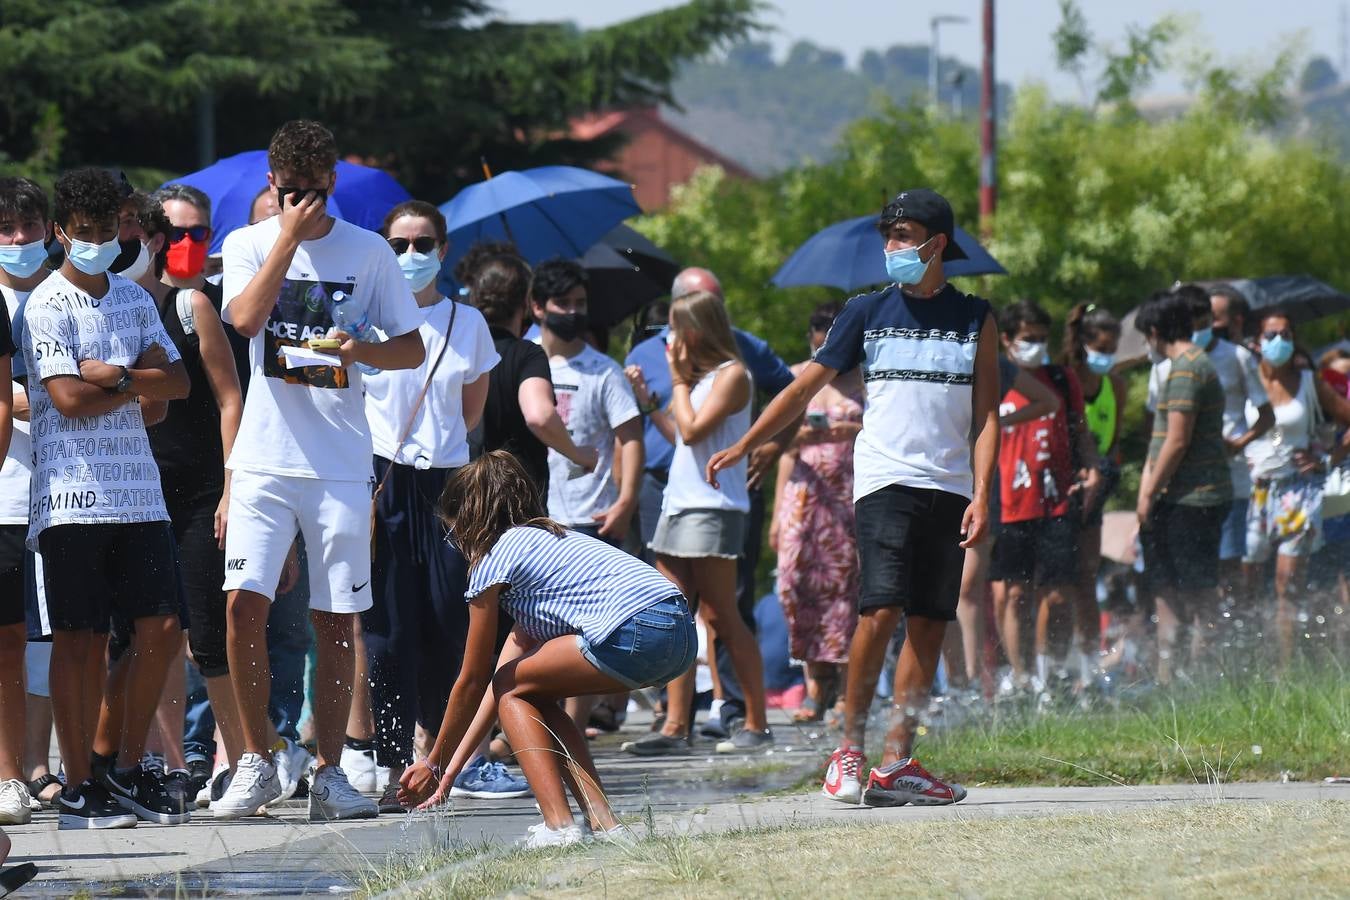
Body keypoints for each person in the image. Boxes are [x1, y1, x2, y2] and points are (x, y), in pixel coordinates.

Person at [709, 188, 999, 807]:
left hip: (948, 485)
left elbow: (987, 415)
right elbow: (801, 386)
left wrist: (983, 492)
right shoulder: (865, 312)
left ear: (938, 243)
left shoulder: (977, 317)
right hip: (885, 479)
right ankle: (848, 749)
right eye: (888, 236)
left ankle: (899, 761)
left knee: (928, 619)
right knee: (881, 609)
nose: (893, 247)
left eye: (905, 235)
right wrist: (749, 442)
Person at [215, 120, 426, 821]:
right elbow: (244, 319)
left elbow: (410, 348)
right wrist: (284, 239)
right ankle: (254, 760)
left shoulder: (368, 251)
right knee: (243, 605)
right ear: (273, 185)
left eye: (311, 189)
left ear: (331, 181)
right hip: (263, 458)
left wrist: (358, 353)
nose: (300, 201)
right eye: (288, 190)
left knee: (337, 619)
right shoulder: (248, 243)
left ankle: (332, 770)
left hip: (338, 461)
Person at [399, 450, 695, 847]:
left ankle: (559, 826)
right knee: (530, 695)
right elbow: (497, 690)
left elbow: (472, 680)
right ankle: (605, 824)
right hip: (678, 631)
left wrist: (433, 760)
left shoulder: (494, 559)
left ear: (467, 522)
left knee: (515, 688)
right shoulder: (550, 548)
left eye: (454, 535)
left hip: (634, 626)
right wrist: (446, 774)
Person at [23, 167, 190, 828]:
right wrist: (134, 379)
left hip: (139, 493)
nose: (94, 243)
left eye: (105, 231)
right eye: (83, 233)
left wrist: (114, 373)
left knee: (162, 631)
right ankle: (78, 784)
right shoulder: (45, 303)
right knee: (80, 640)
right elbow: (64, 398)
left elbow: (176, 383)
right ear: (63, 231)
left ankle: (120, 765)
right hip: (71, 497)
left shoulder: (134, 297)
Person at [360, 201, 505, 812]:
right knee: (389, 629)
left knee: (451, 620)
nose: (411, 256)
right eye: (398, 244)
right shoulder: (364, 319)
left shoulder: (467, 322)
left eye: (423, 244)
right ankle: (393, 758)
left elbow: (471, 415)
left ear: (443, 251)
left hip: (446, 486)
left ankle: (443, 755)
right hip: (379, 480)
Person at [624, 269, 795, 739]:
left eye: (676, 330)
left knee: (721, 613)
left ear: (697, 330)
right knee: (672, 612)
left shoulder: (732, 375)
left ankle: (757, 721)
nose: (670, 341)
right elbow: (682, 438)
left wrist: (675, 381)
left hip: (712, 508)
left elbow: (697, 429)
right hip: (679, 504)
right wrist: (649, 404)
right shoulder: (698, 380)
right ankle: (675, 726)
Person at [992, 300, 1100, 698]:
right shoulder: (994, 379)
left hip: (1057, 496)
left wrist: (1092, 467)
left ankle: (1050, 672)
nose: (1036, 346)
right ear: (1006, 340)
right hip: (1008, 499)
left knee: (1057, 595)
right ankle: (1020, 678)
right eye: (1027, 339)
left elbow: (1080, 429)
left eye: (1041, 338)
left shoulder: (1060, 377)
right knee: (1015, 593)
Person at [1150, 284, 1273, 625]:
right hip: (1182, 487)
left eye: (1207, 319)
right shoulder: (1163, 367)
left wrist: (1239, 442)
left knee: (1229, 564)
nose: (1202, 327)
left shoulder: (1238, 357)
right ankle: (1198, 645)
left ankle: (1234, 634)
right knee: (1191, 576)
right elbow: (1158, 431)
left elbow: (1267, 415)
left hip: (1228, 479)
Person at [768, 302, 862, 723]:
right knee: (796, 588)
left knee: (846, 592)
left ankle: (844, 690)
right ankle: (813, 684)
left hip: (850, 496)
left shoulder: (866, 381)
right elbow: (782, 449)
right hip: (804, 498)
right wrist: (776, 515)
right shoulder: (796, 377)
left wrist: (852, 429)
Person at [947, 354, 1060, 700]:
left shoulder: (988, 361)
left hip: (980, 489)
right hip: (934, 479)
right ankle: (953, 683)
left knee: (966, 588)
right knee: (938, 588)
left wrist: (999, 421)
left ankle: (972, 684)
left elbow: (1048, 401)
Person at [1242, 310, 1350, 665]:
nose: (1280, 342)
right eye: (1272, 335)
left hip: (1297, 491)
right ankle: (1251, 657)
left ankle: (1285, 671)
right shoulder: (1245, 378)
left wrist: (1328, 459)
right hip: (1253, 491)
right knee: (1248, 584)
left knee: (1286, 583)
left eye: (1287, 335)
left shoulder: (1309, 382)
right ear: (1257, 341)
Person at [1134, 291, 1231, 684]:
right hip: (1174, 499)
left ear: (1156, 331)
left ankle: (1202, 678)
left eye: (1147, 336)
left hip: (1195, 499)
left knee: (1197, 593)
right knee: (1167, 589)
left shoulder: (1189, 368)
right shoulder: (1181, 367)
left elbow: (1176, 441)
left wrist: (1149, 493)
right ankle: (1167, 677)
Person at [468, 252, 597, 500]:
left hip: (462, 493)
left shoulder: (457, 351)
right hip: (517, 497)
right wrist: (578, 454)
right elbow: (539, 416)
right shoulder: (527, 354)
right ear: (525, 303)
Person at [530, 259, 642, 544]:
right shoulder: (523, 362)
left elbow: (630, 437)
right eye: (563, 303)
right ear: (538, 307)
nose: (573, 311)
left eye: (580, 303)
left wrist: (626, 502)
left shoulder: (605, 370)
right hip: (531, 516)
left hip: (591, 520)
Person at [0, 177, 43, 826]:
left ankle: (22, 772)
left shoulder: (67, 296)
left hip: (62, 494)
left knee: (30, 643)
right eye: (4, 231)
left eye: (26, 230)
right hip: (7, 488)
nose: (16, 242)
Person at [1061, 302, 1125, 689]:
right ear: (1085, 343)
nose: (1107, 355)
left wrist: (1100, 477)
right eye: (1101, 346)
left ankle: (1088, 663)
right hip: (1060, 486)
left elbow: (1113, 444)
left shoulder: (1116, 384)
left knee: (1086, 578)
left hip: (1096, 489)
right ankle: (1051, 664)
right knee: (1054, 584)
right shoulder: (1066, 377)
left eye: (1113, 347)